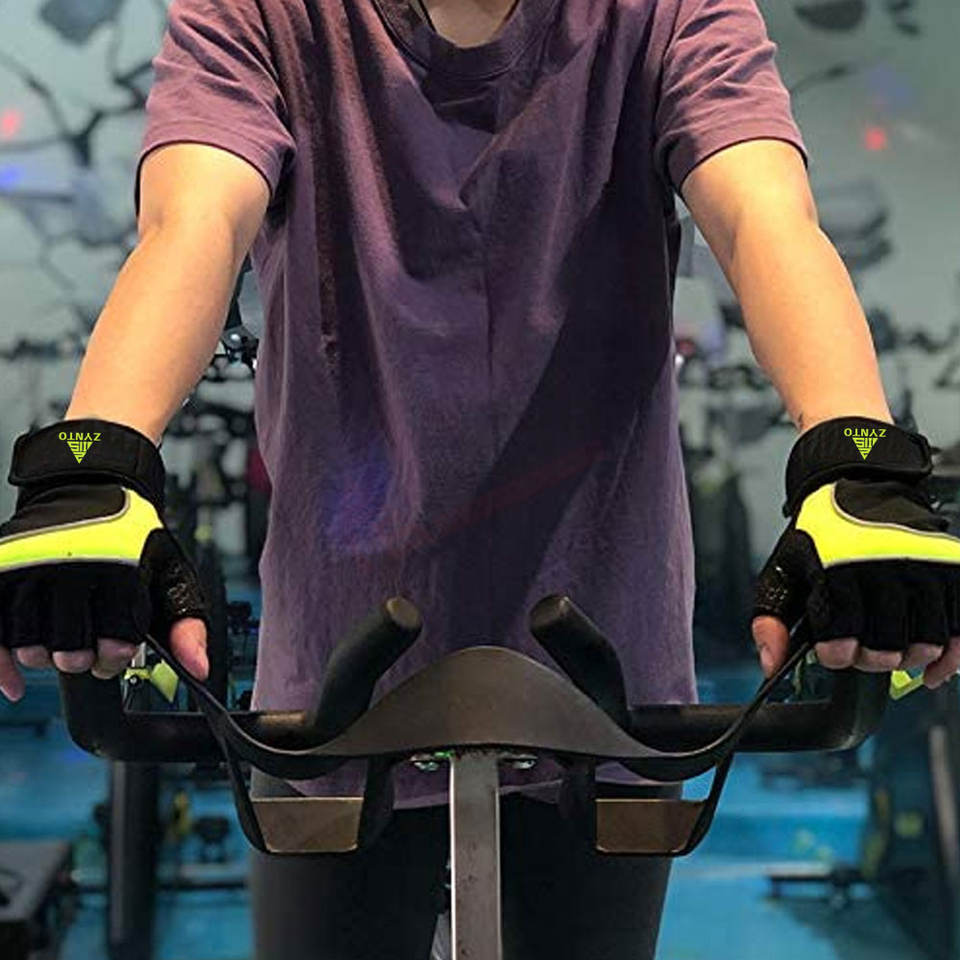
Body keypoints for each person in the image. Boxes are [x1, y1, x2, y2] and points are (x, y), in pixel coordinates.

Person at [1, 0, 959, 957]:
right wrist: (97, 464)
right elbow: (191, 224)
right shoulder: (258, 14)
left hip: (604, 680)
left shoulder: (668, 13)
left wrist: (852, 458)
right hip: (338, 683)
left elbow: (764, 216)